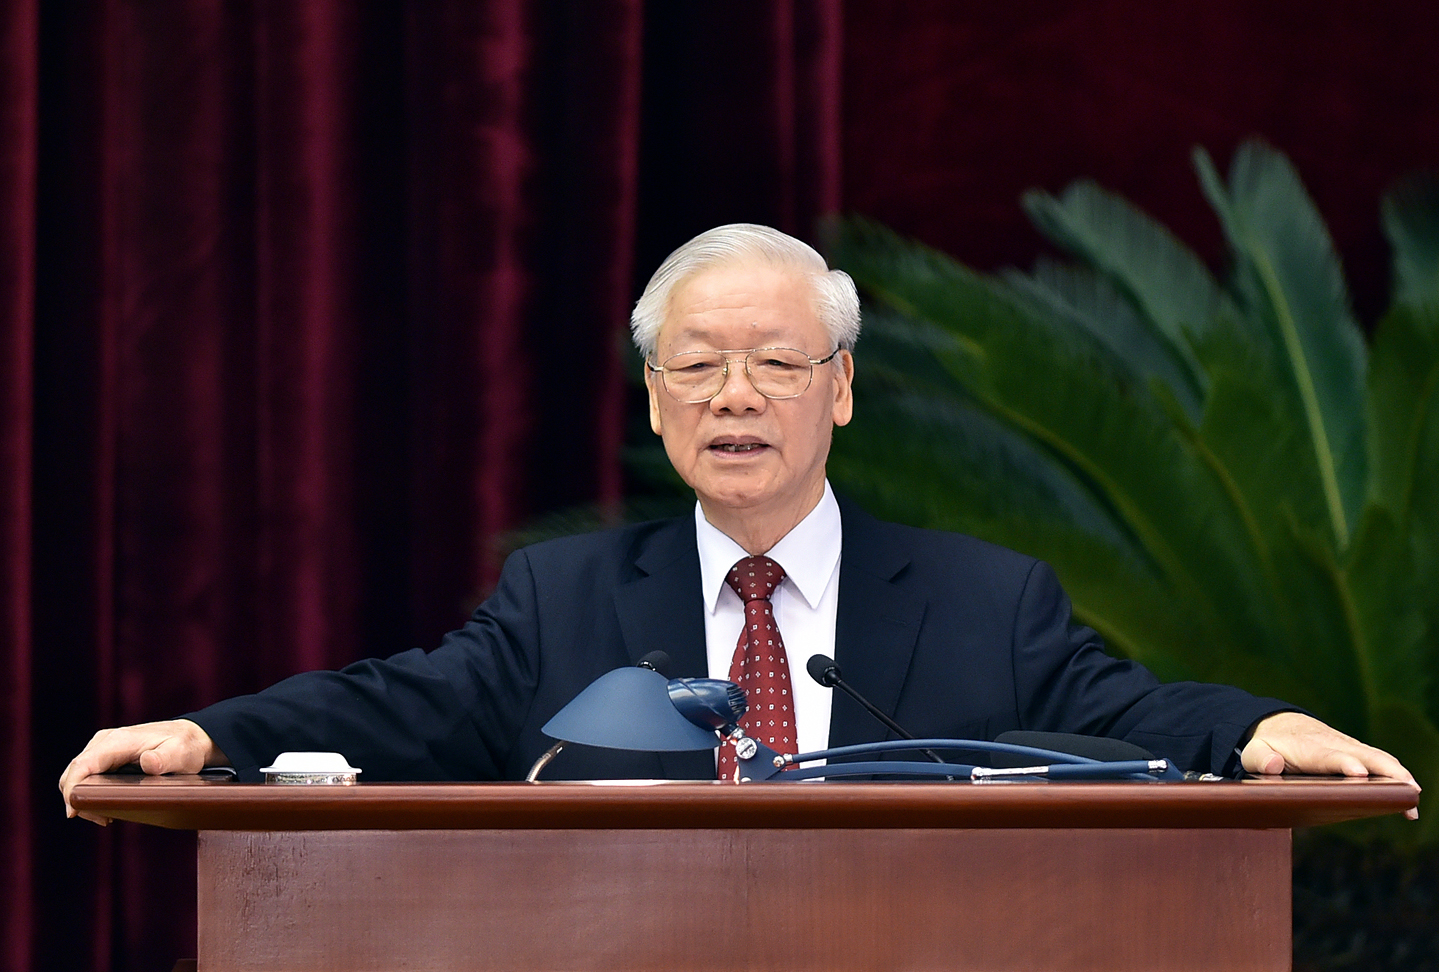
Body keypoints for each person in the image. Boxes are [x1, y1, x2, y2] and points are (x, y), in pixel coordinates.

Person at [61, 223, 1419, 822]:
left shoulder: (987, 599)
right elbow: (401, 705)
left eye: (776, 363)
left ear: (841, 391)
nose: (735, 396)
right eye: (697, 367)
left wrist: (1257, 729)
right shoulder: (559, 598)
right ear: (656, 402)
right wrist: (209, 736)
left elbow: (1123, 710)